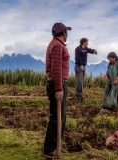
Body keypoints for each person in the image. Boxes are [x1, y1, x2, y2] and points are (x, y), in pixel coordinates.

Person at [43, 22, 71, 158]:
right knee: (57, 117)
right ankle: (50, 149)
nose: (67, 35)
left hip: (58, 83)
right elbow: (56, 69)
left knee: (61, 116)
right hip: (57, 84)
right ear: (63, 33)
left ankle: (56, 146)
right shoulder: (57, 46)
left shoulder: (56, 45)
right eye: (67, 32)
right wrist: (59, 88)